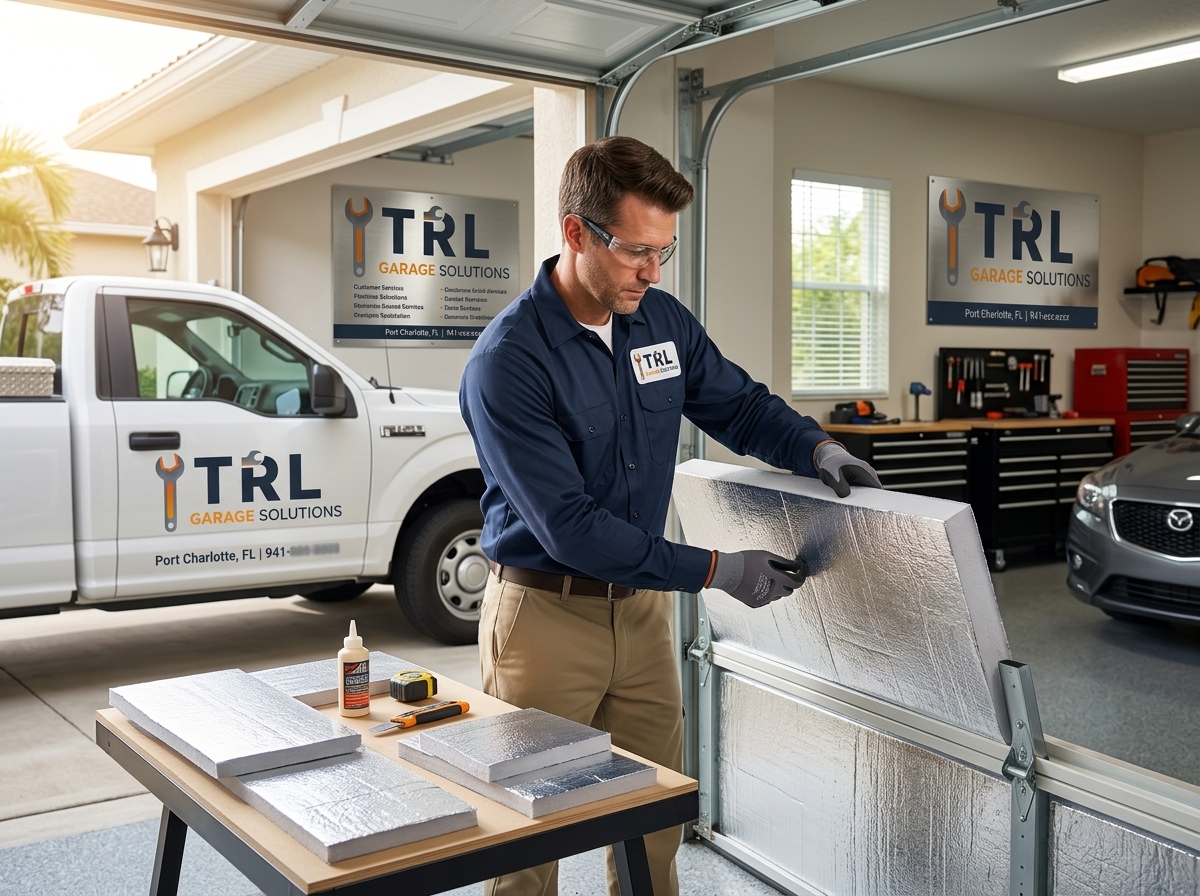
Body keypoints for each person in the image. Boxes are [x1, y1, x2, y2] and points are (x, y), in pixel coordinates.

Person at [459, 135, 880, 896]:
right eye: (634, 251)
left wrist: (816, 448)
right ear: (576, 232)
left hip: (644, 615)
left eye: (665, 251)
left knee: (653, 819)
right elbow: (572, 528)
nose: (652, 272)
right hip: (544, 618)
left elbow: (739, 404)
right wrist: (719, 570)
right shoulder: (509, 362)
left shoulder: (661, 322)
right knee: (526, 843)